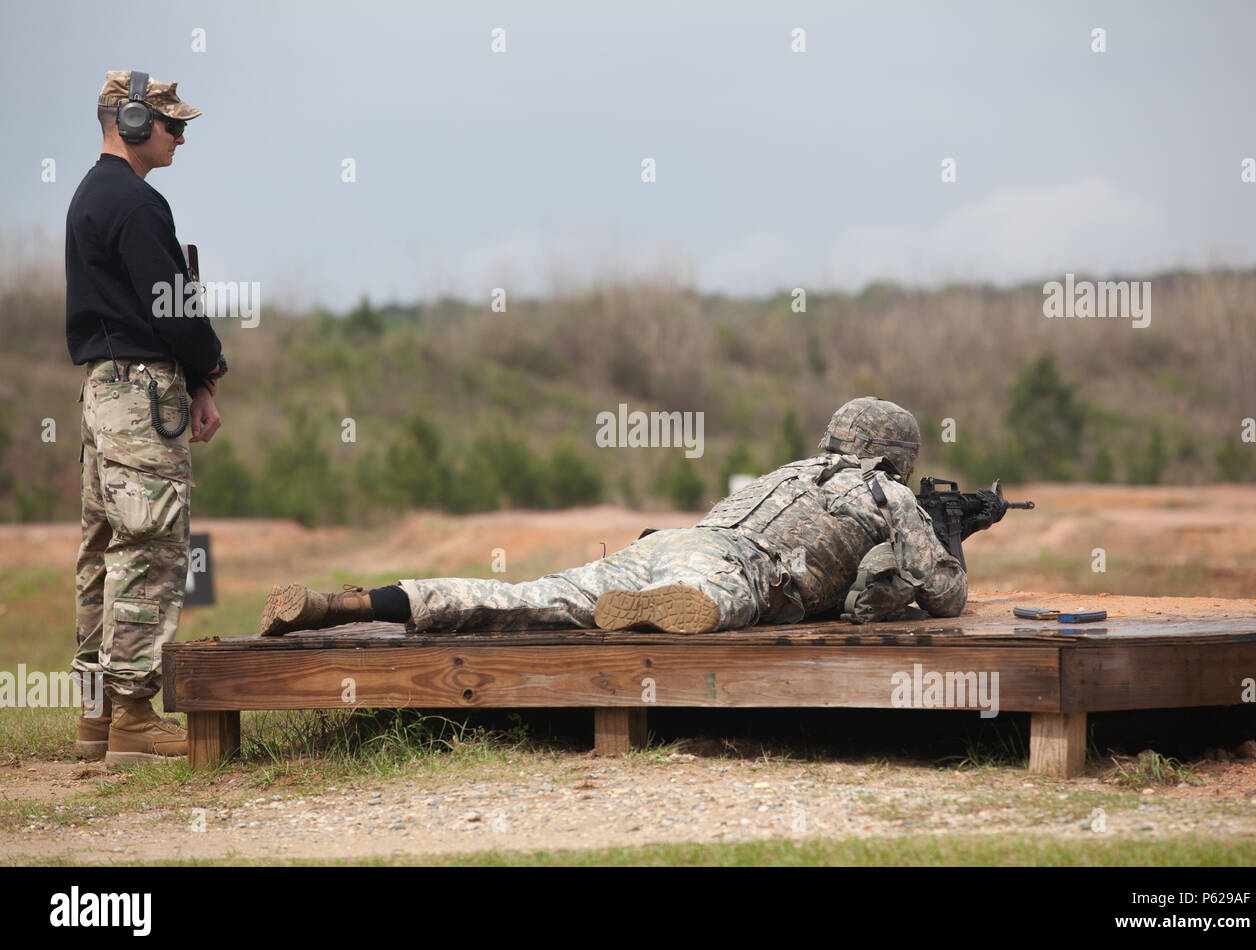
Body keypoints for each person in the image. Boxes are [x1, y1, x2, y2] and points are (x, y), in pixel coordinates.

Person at [260, 398, 967, 637]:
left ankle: (342, 603)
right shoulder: (889, 497)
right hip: (731, 566)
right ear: (899, 454)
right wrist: (951, 539)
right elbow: (943, 594)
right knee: (720, 600)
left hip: (676, 541)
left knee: (522, 598)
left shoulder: (789, 470)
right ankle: (672, 611)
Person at [68, 70, 227, 766]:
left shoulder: (88, 196)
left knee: (103, 551)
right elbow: (175, 313)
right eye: (172, 125)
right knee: (151, 549)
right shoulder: (137, 203)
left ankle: (96, 720)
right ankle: (134, 718)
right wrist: (205, 376)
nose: (181, 138)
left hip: (103, 392)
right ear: (131, 123)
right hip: (141, 397)